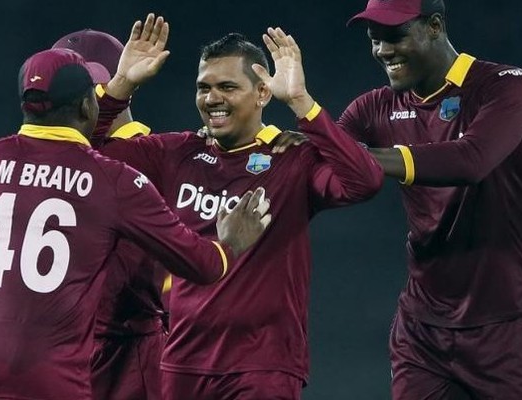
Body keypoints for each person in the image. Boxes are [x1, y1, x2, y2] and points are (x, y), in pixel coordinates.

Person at [0, 15, 272, 400]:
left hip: (122, 350)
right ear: (87, 102)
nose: (98, 92)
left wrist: (276, 139)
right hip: (61, 355)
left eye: (104, 82)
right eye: (93, 88)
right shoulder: (105, 171)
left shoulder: (157, 154)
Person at [257, 0, 522, 398]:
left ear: (434, 26)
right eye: (374, 39)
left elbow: (471, 160)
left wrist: (346, 151)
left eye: (395, 36)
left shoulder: (506, 85)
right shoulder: (375, 106)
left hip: (508, 328)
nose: (383, 50)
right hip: (423, 331)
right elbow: (324, 172)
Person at [96, 32, 383, 399]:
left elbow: (366, 181)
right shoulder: (177, 153)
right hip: (181, 363)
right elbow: (86, 159)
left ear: (262, 93)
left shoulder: (292, 161)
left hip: (262, 367)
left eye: (228, 87)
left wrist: (303, 105)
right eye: (204, 88)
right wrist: (121, 86)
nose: (212, 98)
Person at [51, 28, 171, 400]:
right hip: (64, 353)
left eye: (92, 88)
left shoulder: (155, 155)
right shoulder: (54, 158)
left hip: (128, 355)